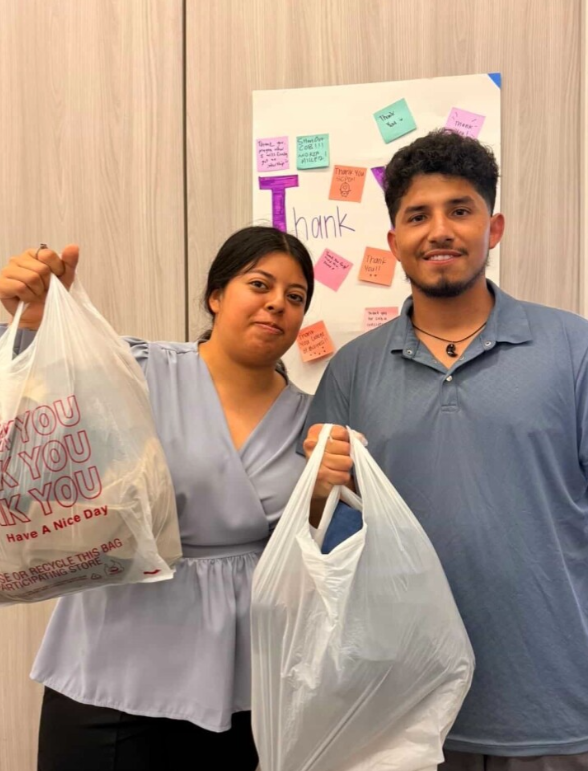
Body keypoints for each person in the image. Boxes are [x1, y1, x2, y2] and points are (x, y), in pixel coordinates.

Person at [303, 129, 588, 770]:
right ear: (393, 240)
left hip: (552, 701)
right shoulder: (352, 370)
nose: (439, 231)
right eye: (417, 216)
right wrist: (319, 491)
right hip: (402, 707)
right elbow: (326, 537)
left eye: (460, 210)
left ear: (494, 228)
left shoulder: (574, 350)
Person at [0, 226, 315, 771]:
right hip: (109, 659)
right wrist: (34, 322)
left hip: (237, 678)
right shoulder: (139, 367)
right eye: (259, 284)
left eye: (295, 296)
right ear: (216, 296)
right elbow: (41, 395)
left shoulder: (313, 417)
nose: (276, 304)